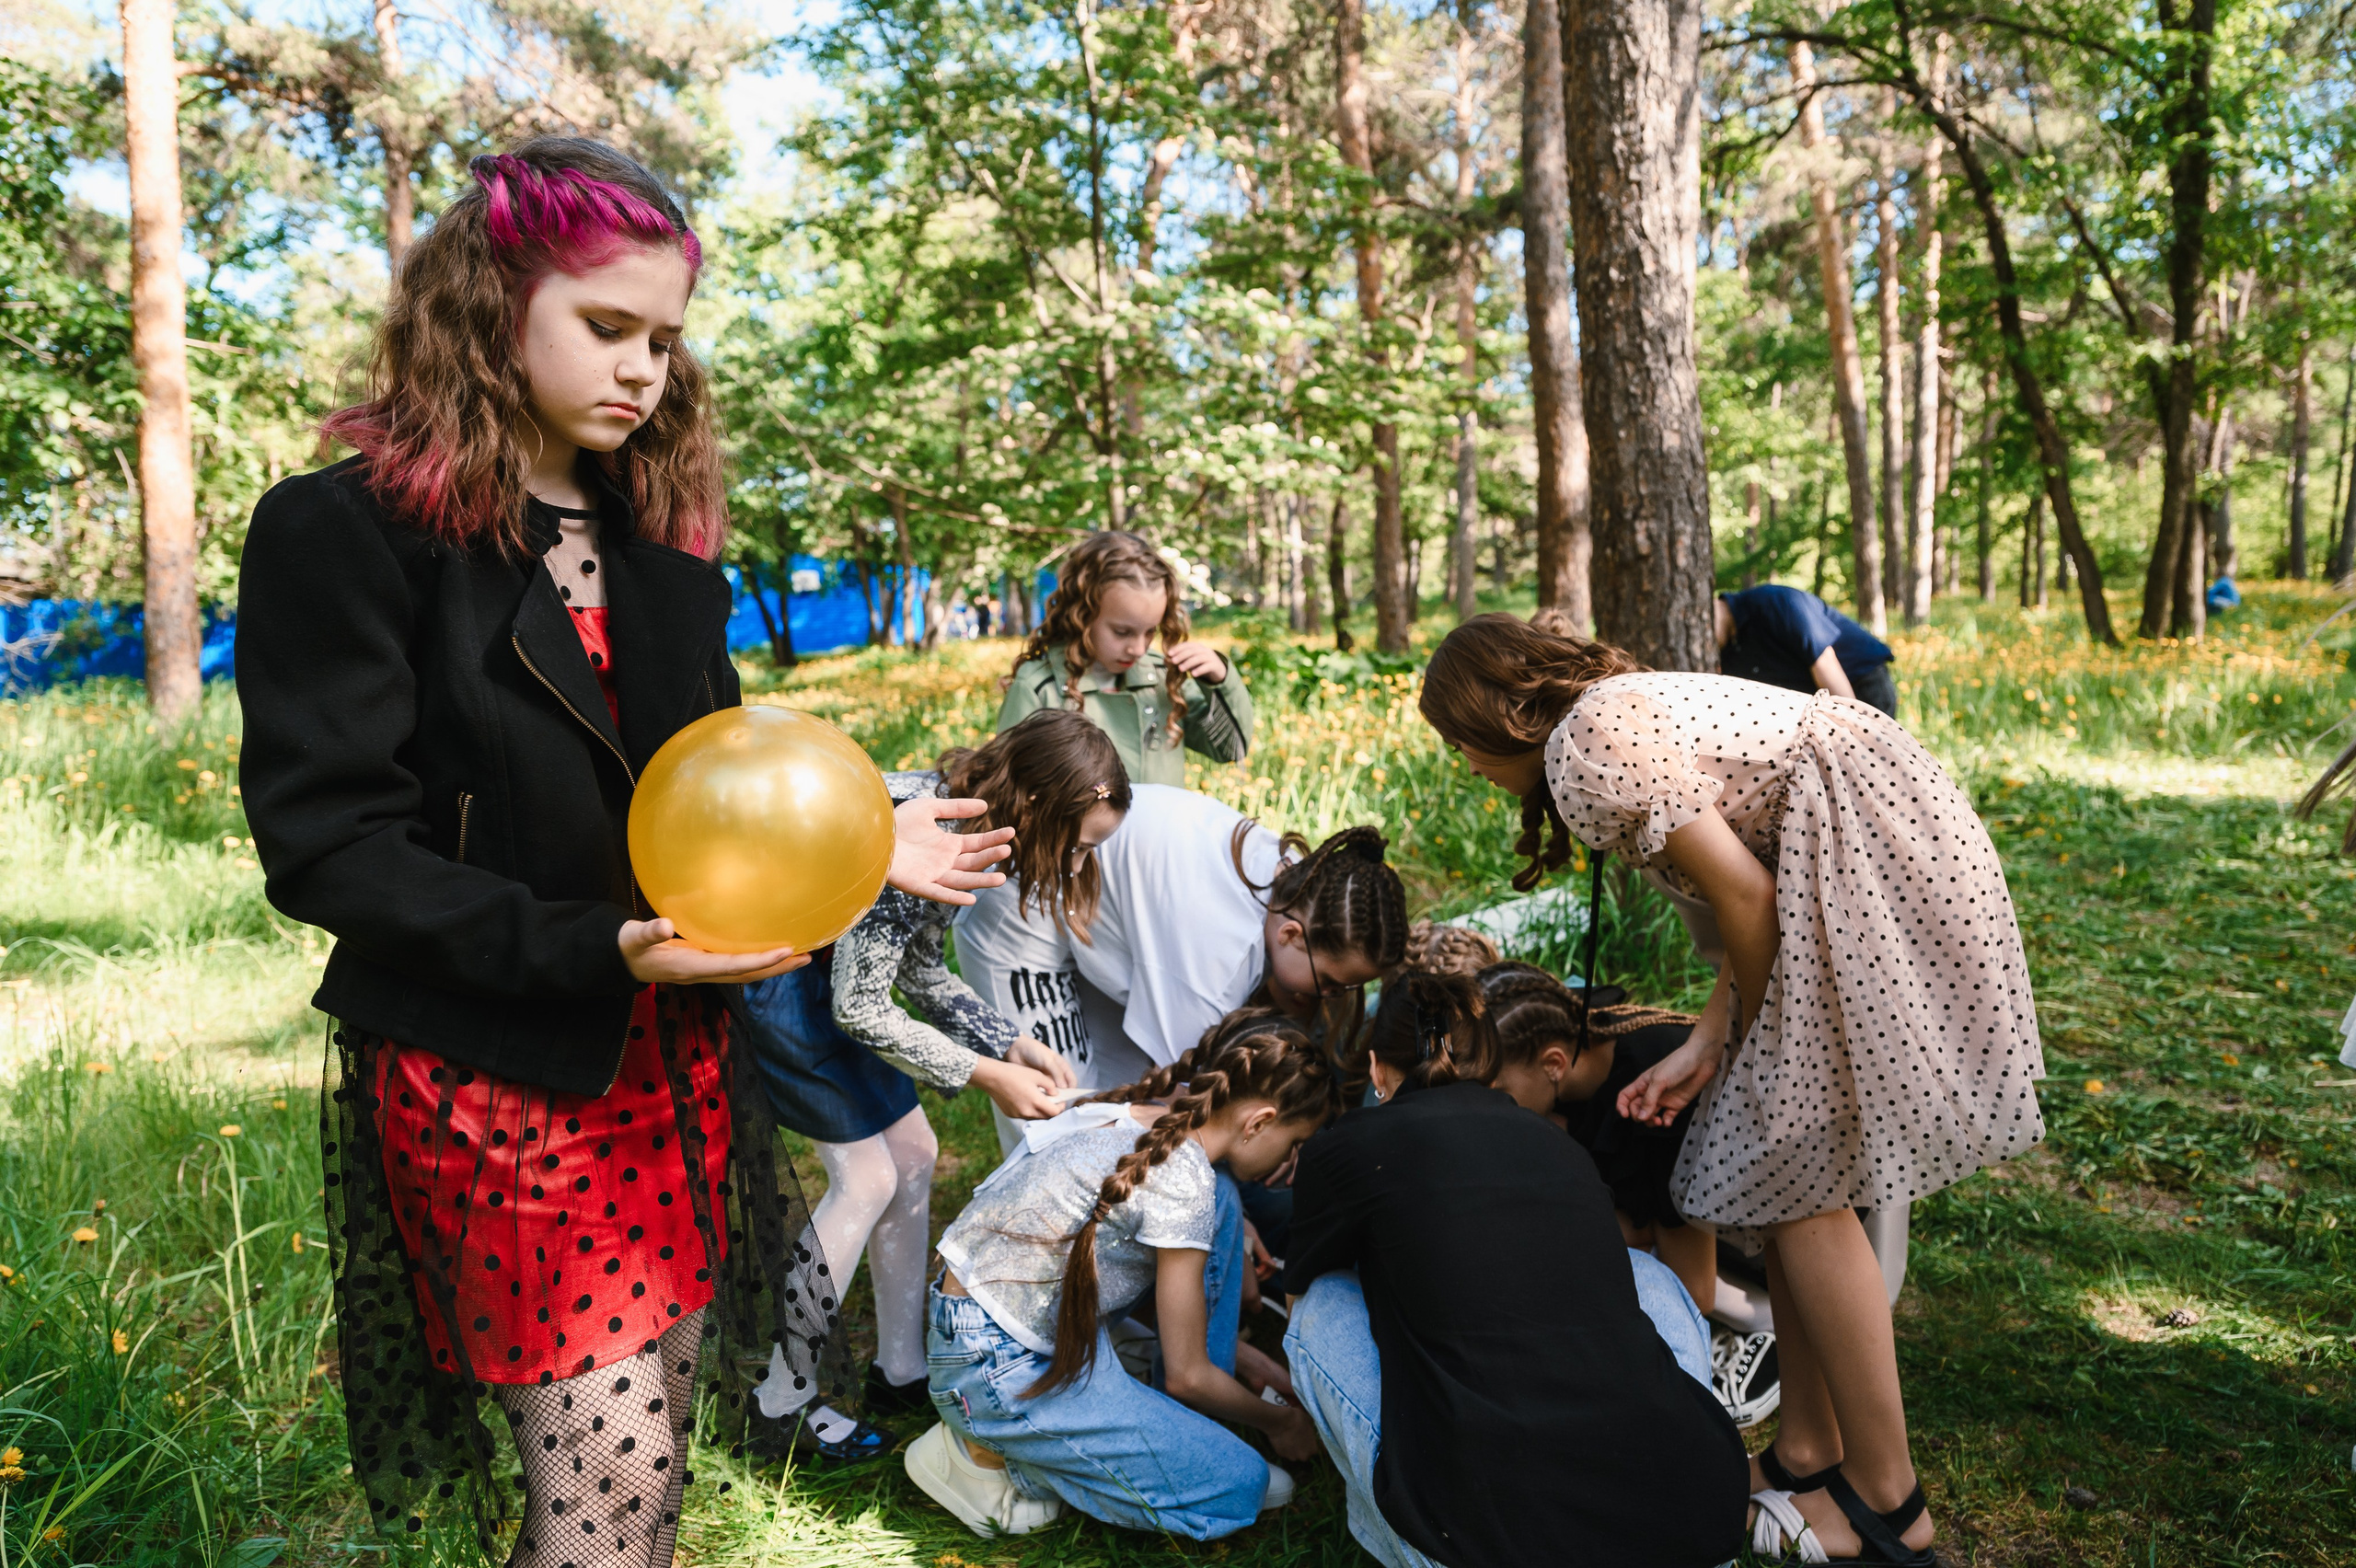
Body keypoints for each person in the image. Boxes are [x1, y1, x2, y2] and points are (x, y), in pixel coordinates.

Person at [235, 139, 1016, 1565]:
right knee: (611, 1483)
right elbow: (329, 846)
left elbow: (704, 788)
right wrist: (596, 943)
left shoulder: (660, 546)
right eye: (607, 326)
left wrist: (860, 844)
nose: (647, 367)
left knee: (645, 1441)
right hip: (498, 1073)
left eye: (664, 335)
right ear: (487, 304)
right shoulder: (342, 534)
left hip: (673, 1062)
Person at [1418, 613, 2046, 1568]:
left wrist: (1752, 1044)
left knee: (1793, 1178)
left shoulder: (1587, 744)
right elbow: (1758, 885)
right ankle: (1807, 1454)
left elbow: (1751, 901)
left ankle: (1888, 1503)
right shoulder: (1605, 721)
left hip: (1873, 854)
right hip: (1859, 847)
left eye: (1455, 746)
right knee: (1792, 1174)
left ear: (1492, 716)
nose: (1462, 768)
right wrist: (1717, 1038)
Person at [734, 710, 1125, 1458]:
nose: (1077, 866)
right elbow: (859, 1008)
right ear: (1038, 808)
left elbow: (913, 970)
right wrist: (987, 1075)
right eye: (1077, 848)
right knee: (865, 1177)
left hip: (830, 976)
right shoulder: (929, 829)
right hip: (777, 973)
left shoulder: (961, 823)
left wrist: (1009, 1040)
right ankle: (779, 1402)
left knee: (913, 1153)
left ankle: (900, 1371)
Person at [1279, 970, 1750, 1568]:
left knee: (1322, 1298)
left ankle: (1386, 1529)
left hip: (1484, 1540)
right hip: (1684, 1526)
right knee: (1644, 1274)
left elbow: (1301, 1290)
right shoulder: (1563, 1148)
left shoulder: (1345, 1147)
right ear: (1489, 1060)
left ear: (1376, 1069)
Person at [906, 1013, 1341, 1539]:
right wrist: (1282, 1422)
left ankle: (1103, 1419)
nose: (1291, 1162)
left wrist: (1238, 1359)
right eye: (1295, 1144)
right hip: (999, 1367)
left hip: (977, 1325)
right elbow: (1186, 1375)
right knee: (1242, 1487)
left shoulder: (1144, 1114)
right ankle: (987, 1455)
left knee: (1224, 1199)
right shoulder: (1185, 1180)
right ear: (1259, 1121)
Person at [1477, 962, 1715, 1313]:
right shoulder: (1556, 1034)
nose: (1483, 1108)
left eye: (1497, 1090)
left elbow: (1696, 1293)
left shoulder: (1659, 1102)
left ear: (1554, 1063)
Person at [999, 529, 1255, 786]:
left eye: (1150, 632)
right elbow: (1008, 791)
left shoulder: (1162, 678)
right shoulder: (1039, 688)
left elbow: (1231, 749)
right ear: (1081, 614)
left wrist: (1219, 680)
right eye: (1122, 632)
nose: (1138, 648)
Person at [1715, 583, 1897, 718]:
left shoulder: (1774, 602)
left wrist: (1852, 729)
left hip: (1860, 682)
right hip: (1820, 705)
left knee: (1874, 763)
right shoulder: (1730, 648)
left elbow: (1825, 663)